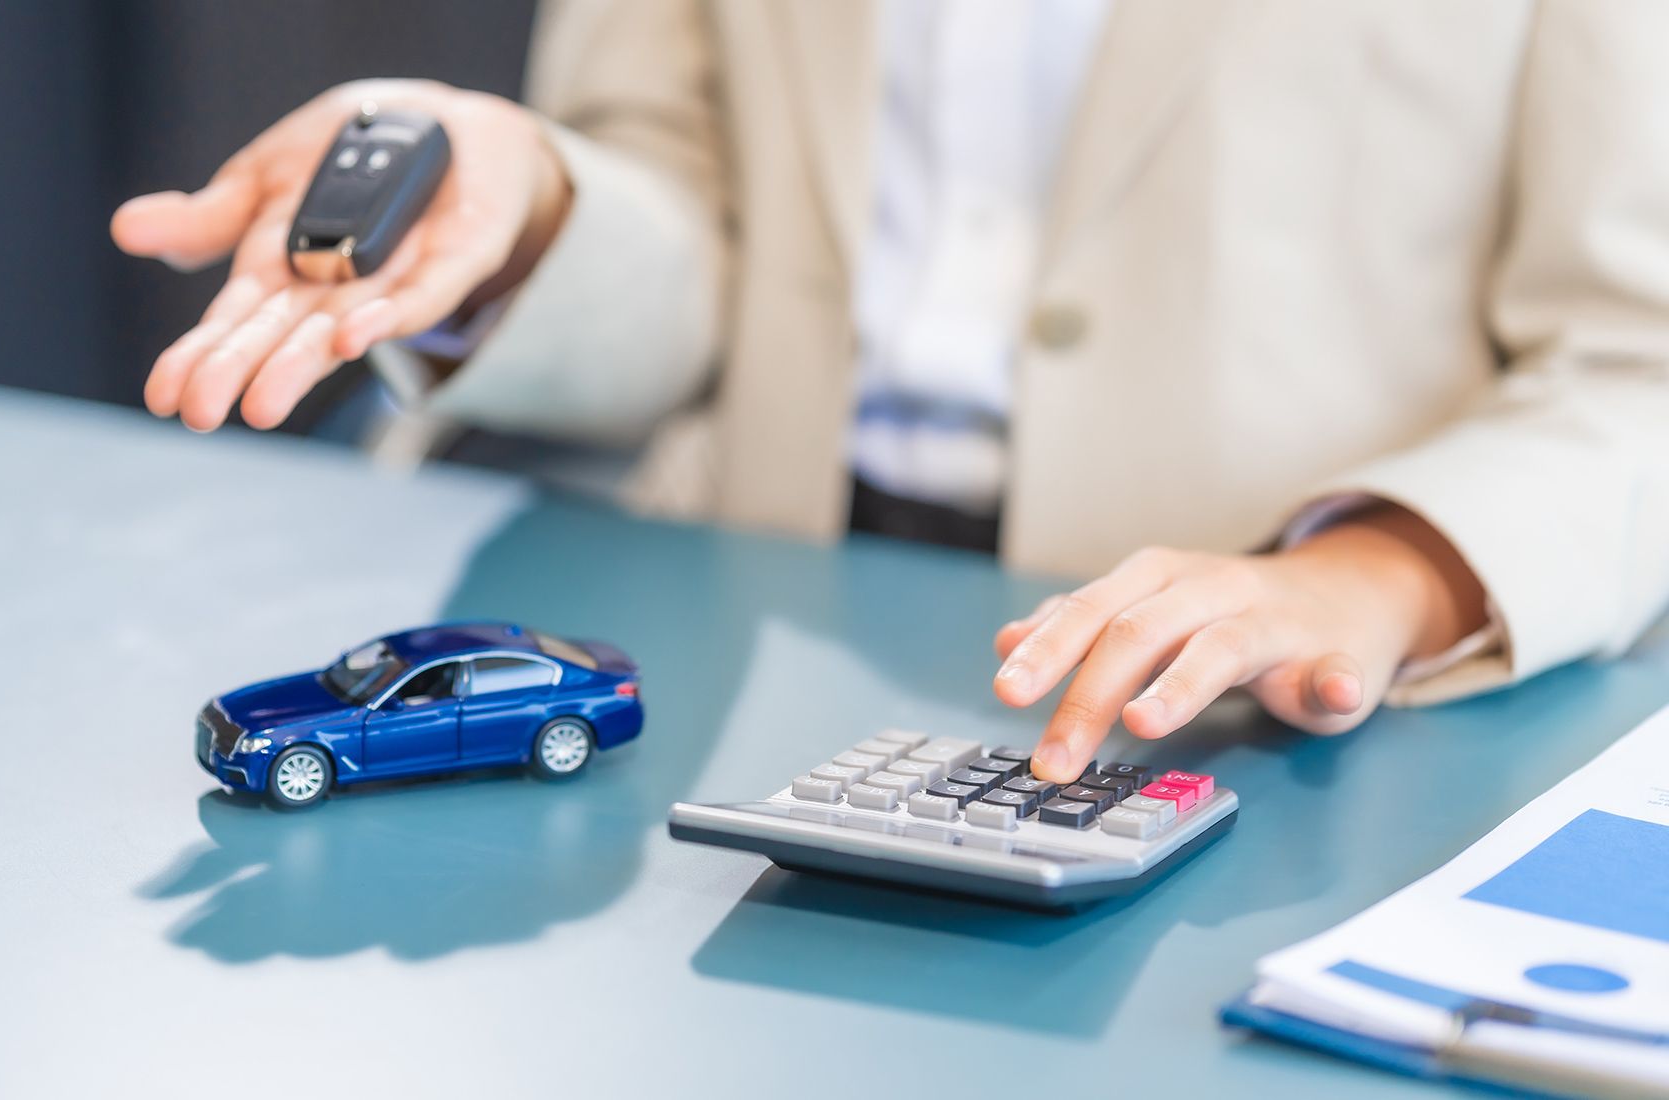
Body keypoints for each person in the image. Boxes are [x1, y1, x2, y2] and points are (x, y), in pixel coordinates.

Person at [111, 0, 1669, 785]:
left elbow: (1641, 358)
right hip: (733, 623)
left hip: (1278, 714)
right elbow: (688, 220)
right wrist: (528, 219)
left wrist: (1381, 573)